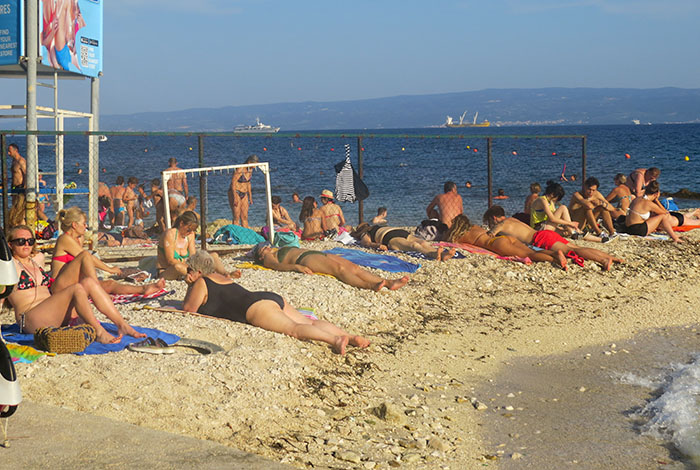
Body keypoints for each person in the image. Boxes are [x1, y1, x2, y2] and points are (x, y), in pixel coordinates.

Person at [182, 251, 370, 355]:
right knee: (309, 321)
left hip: (255, 308)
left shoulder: (201, 283)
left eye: (190, 269)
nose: (187, 273)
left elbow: (188, 309)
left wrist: (189, 286)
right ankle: (350, 337)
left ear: (199, 272)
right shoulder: (220, 277)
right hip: (266, 297)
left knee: (294, 329)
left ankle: (335, 340)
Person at [3, 225, 146, 344]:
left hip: (53, 312)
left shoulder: (37, 259)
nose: (26, 244)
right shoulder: (7, 267)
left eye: (30, 240)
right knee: (77, 288)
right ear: (10, 244)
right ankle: (99, 331)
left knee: (88, 282)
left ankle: (122, 325)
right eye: (21, 241)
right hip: (30, 319)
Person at [51, 206, 165, 295]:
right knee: (86, 256)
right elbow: (87, 257)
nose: (86, 227)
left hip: (71, 281)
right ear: (74, 225)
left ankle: (143, 288)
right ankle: (97, 290)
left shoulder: (77, 239)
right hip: (59, 284)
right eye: (84, 224)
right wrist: (109, 269)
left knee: (110, 284)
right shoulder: (64, 239)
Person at [483, 206, 624, 271]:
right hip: (547, 234)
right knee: (575, 247)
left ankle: (603, 260)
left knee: (574, 251)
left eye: (490, 221)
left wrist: (488, 232)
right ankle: (611, 257)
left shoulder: (501, 224)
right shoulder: (513, 219)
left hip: (539, 239)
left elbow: (490, 236)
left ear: (494, 218)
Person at [252, 242, 410, 291]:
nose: (267, 247)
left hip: (315, 253)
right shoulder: (267, 257)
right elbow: (276, 266)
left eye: (266, 245)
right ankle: (370, 285)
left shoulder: (274, 249)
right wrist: (295, 267)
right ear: (260, 255)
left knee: (354, 267)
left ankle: (389, 282)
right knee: (339, 270)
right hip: (305, 258)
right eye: (263, 248)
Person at [445, 214, 567, 269]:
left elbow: (449, 240)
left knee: (530, 255)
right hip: (505, 238)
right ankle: (554, 253)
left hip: (496, 244)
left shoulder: (462, 235)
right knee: (529, 251)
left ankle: (554, 260)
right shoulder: (475, 227)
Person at [157, 211, 230, 279]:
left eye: (193, 230)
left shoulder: (190, 235)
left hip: (188, 268)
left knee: (214, 255)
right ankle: (208, 276)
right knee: (178, 267)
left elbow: (193, 256)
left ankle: (225, 274)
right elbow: (170, 260)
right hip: (167, 270)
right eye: (188, 230)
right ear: (181, 223)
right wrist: (190, 267)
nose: (190, 232)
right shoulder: (170, 234)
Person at [351, 223, 456, 262]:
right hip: (399, 231)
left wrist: (378, 245)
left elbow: (366, 244)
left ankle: (435, 254)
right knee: (422, 243)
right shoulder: (377, 226)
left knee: (414, 246)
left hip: (388, 237)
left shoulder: (365, 233)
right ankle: (440, 253)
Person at [228, 155, 258, 227]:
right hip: (236, 191)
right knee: (236, 216)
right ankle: (236, 234)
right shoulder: (240, 169)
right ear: (249, 162)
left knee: (244, 217)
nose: (256, 166)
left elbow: (248, 183)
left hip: (244, 193)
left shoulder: (250, 170)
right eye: (255, 164)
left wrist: (250, 196)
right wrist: (235, 196)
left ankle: (245, 234)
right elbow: (233, 183)